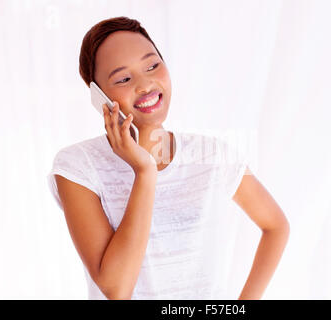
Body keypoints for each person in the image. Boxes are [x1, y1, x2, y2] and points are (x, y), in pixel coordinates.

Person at [47, 16, 290, 300]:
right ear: (98, 96)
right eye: (124, 79)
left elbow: (276, 226)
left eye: (153, 65)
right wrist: (145, 172)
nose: (145, 84)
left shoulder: (213, 155)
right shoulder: (78, 167)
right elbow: (116, 288)